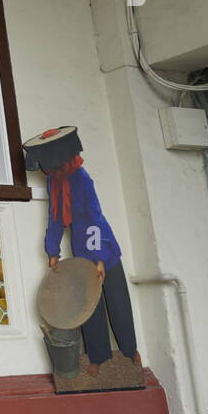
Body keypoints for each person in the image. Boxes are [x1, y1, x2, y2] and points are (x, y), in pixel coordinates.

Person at [22, 126, 140, 377]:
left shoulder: (81, 178)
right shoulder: (55, 182)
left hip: (103, 246)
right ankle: (97, 357)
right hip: (79, 247)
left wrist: (98, 258)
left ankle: (131, 351)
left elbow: (95, 218)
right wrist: (52, 251)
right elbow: (54, 218)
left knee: (117, 303)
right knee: (89, 307)